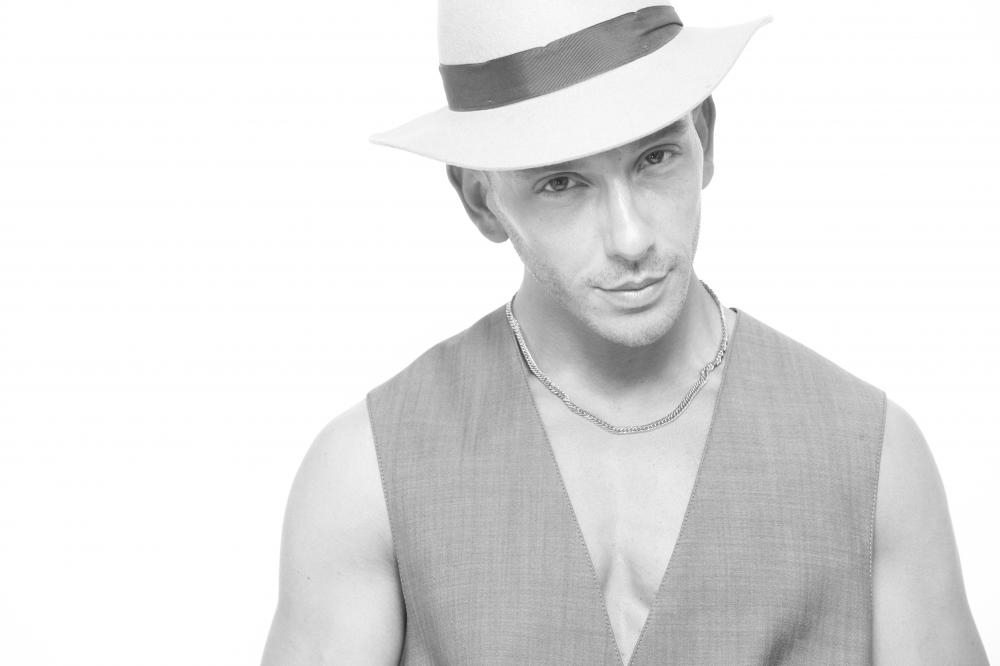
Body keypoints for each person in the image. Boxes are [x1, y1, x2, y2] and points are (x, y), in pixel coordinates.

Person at [262, 2, 989, 664]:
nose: (632, 237)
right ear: (481, 200)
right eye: (561, 183)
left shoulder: (872, 456)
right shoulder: (366, 474)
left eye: (655, 157)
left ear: (705, 136)